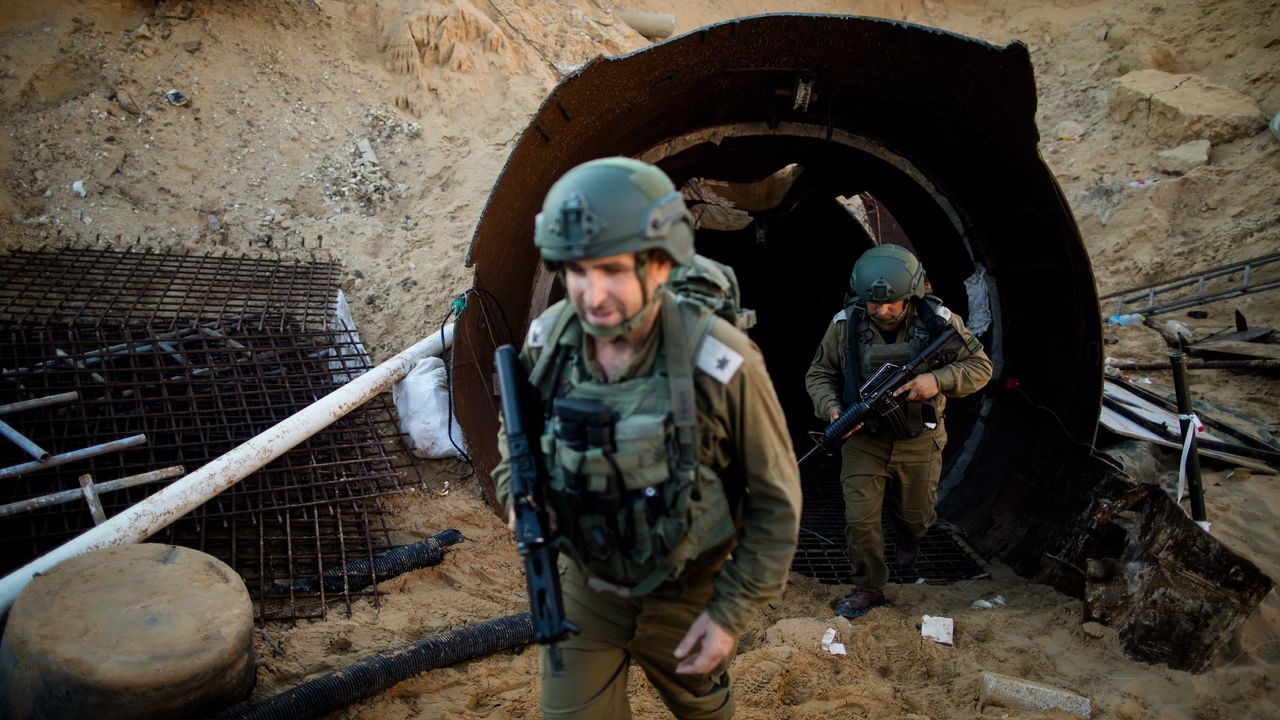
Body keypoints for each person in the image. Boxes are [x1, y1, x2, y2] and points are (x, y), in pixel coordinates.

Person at [491, 157, 802, 719]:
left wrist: (729, 614)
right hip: (584, 586)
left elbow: (777, 503)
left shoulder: (721, 360)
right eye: (577, 272)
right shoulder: (550, 341)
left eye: (612, 270)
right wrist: (518, 495)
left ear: (660, 266)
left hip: (685, 594)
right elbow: (515, 440)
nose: (591, 293)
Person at [804, 244, 991, 619]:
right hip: (864, 441)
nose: (882, 311)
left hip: (918, 439)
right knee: (860, 519)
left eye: (892, 303)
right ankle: (868, 587)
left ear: (912, 295)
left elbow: (980, 367)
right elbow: (819, 374)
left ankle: (909, 539)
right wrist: (833, 409)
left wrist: (936, 380)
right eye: (874, 304)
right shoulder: (845, 325)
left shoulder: (939, 322)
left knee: (917, 516)